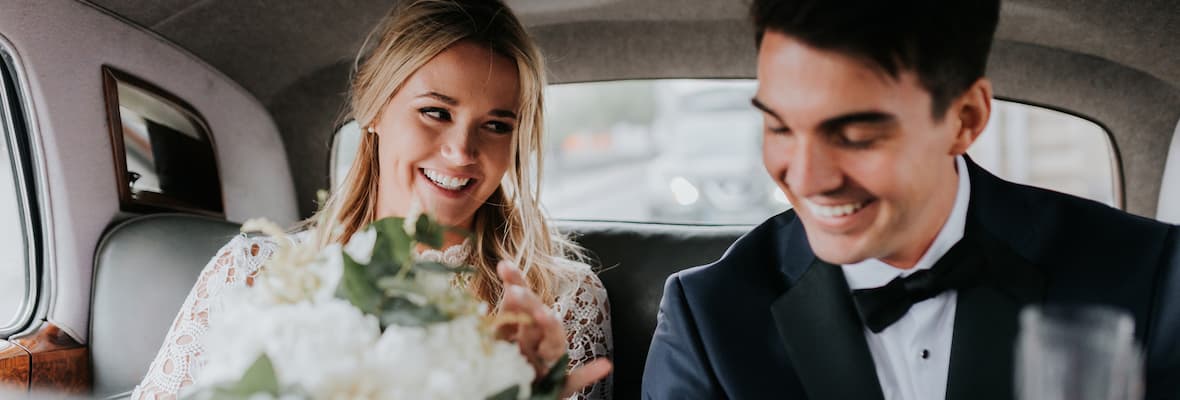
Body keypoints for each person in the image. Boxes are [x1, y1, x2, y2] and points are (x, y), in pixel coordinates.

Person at [642, 0, 1180, 399]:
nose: (806, 177)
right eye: (779, 127)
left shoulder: (1152, 280)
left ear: (965, 120)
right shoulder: (709, 317)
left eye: (854, 134)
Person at [132, 1, 612, 398]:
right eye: (435, 112)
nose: (462, 151)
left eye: (496, 125)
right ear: (373, 110)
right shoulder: (253, 271)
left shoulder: (559, 301)